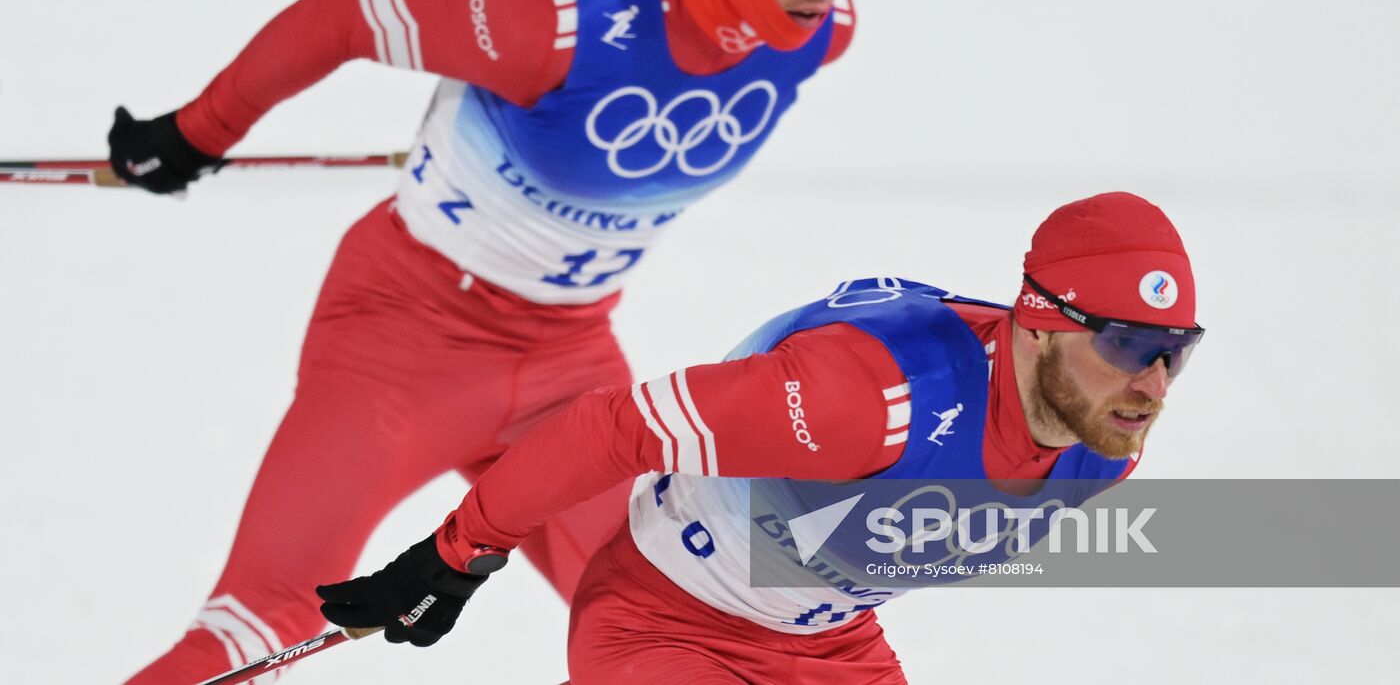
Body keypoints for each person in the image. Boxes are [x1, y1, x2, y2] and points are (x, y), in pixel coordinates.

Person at [109, 0, 874, 684]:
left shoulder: (823, 34)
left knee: (697, 626)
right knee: (262, 626)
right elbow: (340, 15)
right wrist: (201, 129)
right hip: (404, 339)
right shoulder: (549, 9)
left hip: (569, 366)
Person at [316, 192, 1206, 684]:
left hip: (830, 647)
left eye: (1177, 352)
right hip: (666, 626)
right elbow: (616, 428)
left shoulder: (1105, 447)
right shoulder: (862, 398)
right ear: (1041, 323)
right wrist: (457, 554)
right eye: (1129, 346)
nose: (1154, 385)